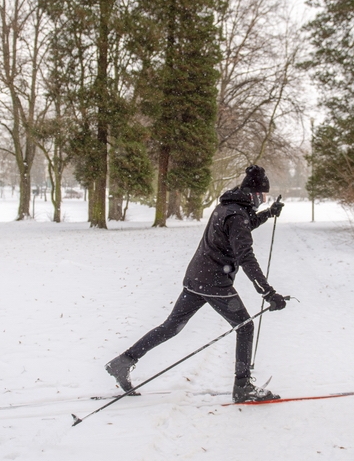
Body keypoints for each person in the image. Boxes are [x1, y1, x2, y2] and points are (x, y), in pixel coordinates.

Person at [105, 165, 289, 403]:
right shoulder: (237, 215)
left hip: (197, 278)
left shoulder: (228, 207)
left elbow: (244, 225)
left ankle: (123, 362)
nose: (263, 201)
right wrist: (268, 292)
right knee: (245, 327)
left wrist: (268, 213)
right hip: (215, 283)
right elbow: (246, 257)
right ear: (253, 195)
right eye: (263, 197)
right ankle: (243, 387)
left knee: (171, 326)